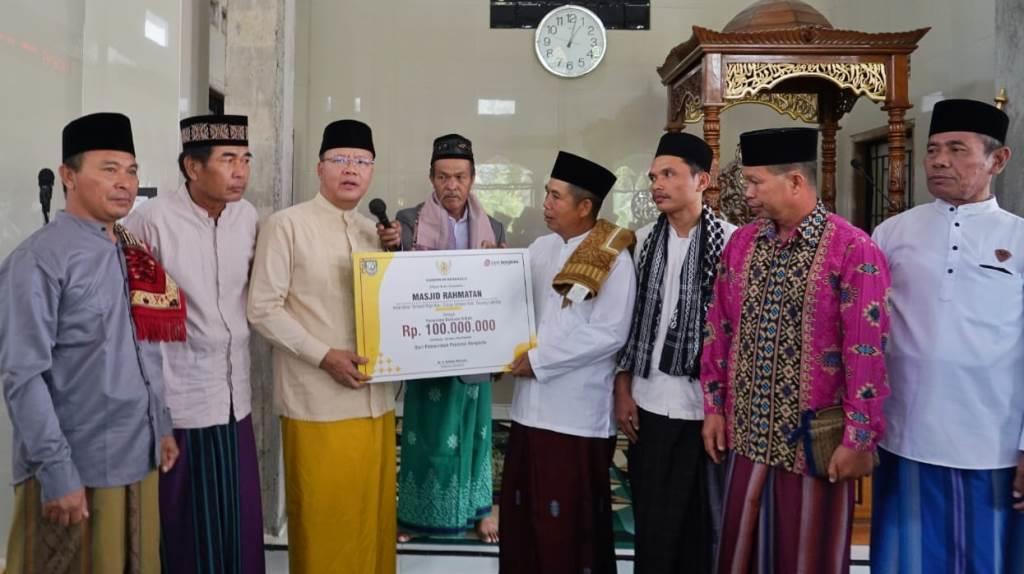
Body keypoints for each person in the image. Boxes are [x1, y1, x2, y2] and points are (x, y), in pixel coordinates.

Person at [700, 127, 891, 573]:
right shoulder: (742, 244)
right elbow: (719, 329)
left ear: (796, 182)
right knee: (738, 556)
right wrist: (713, 406)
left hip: (813, 448)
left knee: (805, 558)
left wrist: (859, 438)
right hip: (746, 437)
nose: (745, 193)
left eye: (754, 182)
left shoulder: (852, 249)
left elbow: (866, 352)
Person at [0, 112, 179, 573]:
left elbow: (145, 349)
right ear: (68, 176)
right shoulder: (39, 260)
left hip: (136, 459)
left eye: (132, 170)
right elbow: (23, 375)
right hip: (75, 471)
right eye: (109, 169)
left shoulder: (130, 251)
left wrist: (159, 425)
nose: (125, 183)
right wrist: (58, 473)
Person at [870, 98, 1024, 573]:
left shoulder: (1019, 239)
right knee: (907, 561)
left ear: (998, 160)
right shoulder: (892, 234)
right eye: (934, 149)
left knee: (988, 561)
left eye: (957, 149)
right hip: (905, 436)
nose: (939, 161)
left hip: (991, 443)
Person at [248, 119, 396, 574]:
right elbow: (263, 309)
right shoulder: (286, 226)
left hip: (377, 401)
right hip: (318, 404)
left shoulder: (376, 231)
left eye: (361, 161)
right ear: (319, 168)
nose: (350, 170)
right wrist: (323, 355)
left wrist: (400, 259)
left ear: (371, 170)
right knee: (326, 527)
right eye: (340, 160)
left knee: (371, 526)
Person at [123, 114, 265, 573]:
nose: (240, 171)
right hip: (181, 399)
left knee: (239, 528)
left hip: (235, 398)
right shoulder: (151, 223)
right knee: (188, 531)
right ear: (192, 166)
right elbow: (135, 319)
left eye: (245, 159)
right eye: (227, 159)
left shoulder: (248, 218)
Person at [499, 151, 637, 574]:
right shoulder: (541, 247)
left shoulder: (612, 256)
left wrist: (539, 360)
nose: (545, 203)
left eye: (556, 196)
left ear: (584, 207)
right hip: (528, 410)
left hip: (575, 413)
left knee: (569, 529)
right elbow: (511, 302)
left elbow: (609, 332)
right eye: (546, 193)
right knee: (524, 521)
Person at [615, 132, 736, 574]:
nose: (657, 185)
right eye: (653, 176)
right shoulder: (642, 241)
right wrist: (623, 387)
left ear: (702, 180)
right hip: (647, 402)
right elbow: (627, 321)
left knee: (699, 527)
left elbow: (732, 331)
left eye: (669, 174)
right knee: (652, 523)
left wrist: (718, 407)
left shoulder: (731, 242)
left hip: (702, 411)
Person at [391, 133, 503, 543]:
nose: (451, 185)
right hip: (427, 346)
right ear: (431, 178)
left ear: (472, 179)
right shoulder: (408, 220)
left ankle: (480, 512)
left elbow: (500, 289)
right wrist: (392, 250)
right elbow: (393, 281)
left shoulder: (494, 226)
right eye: (442, 177)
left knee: (475, 430)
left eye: (459, 176)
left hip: (474, 347)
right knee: (426, 432)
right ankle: (414, 514)